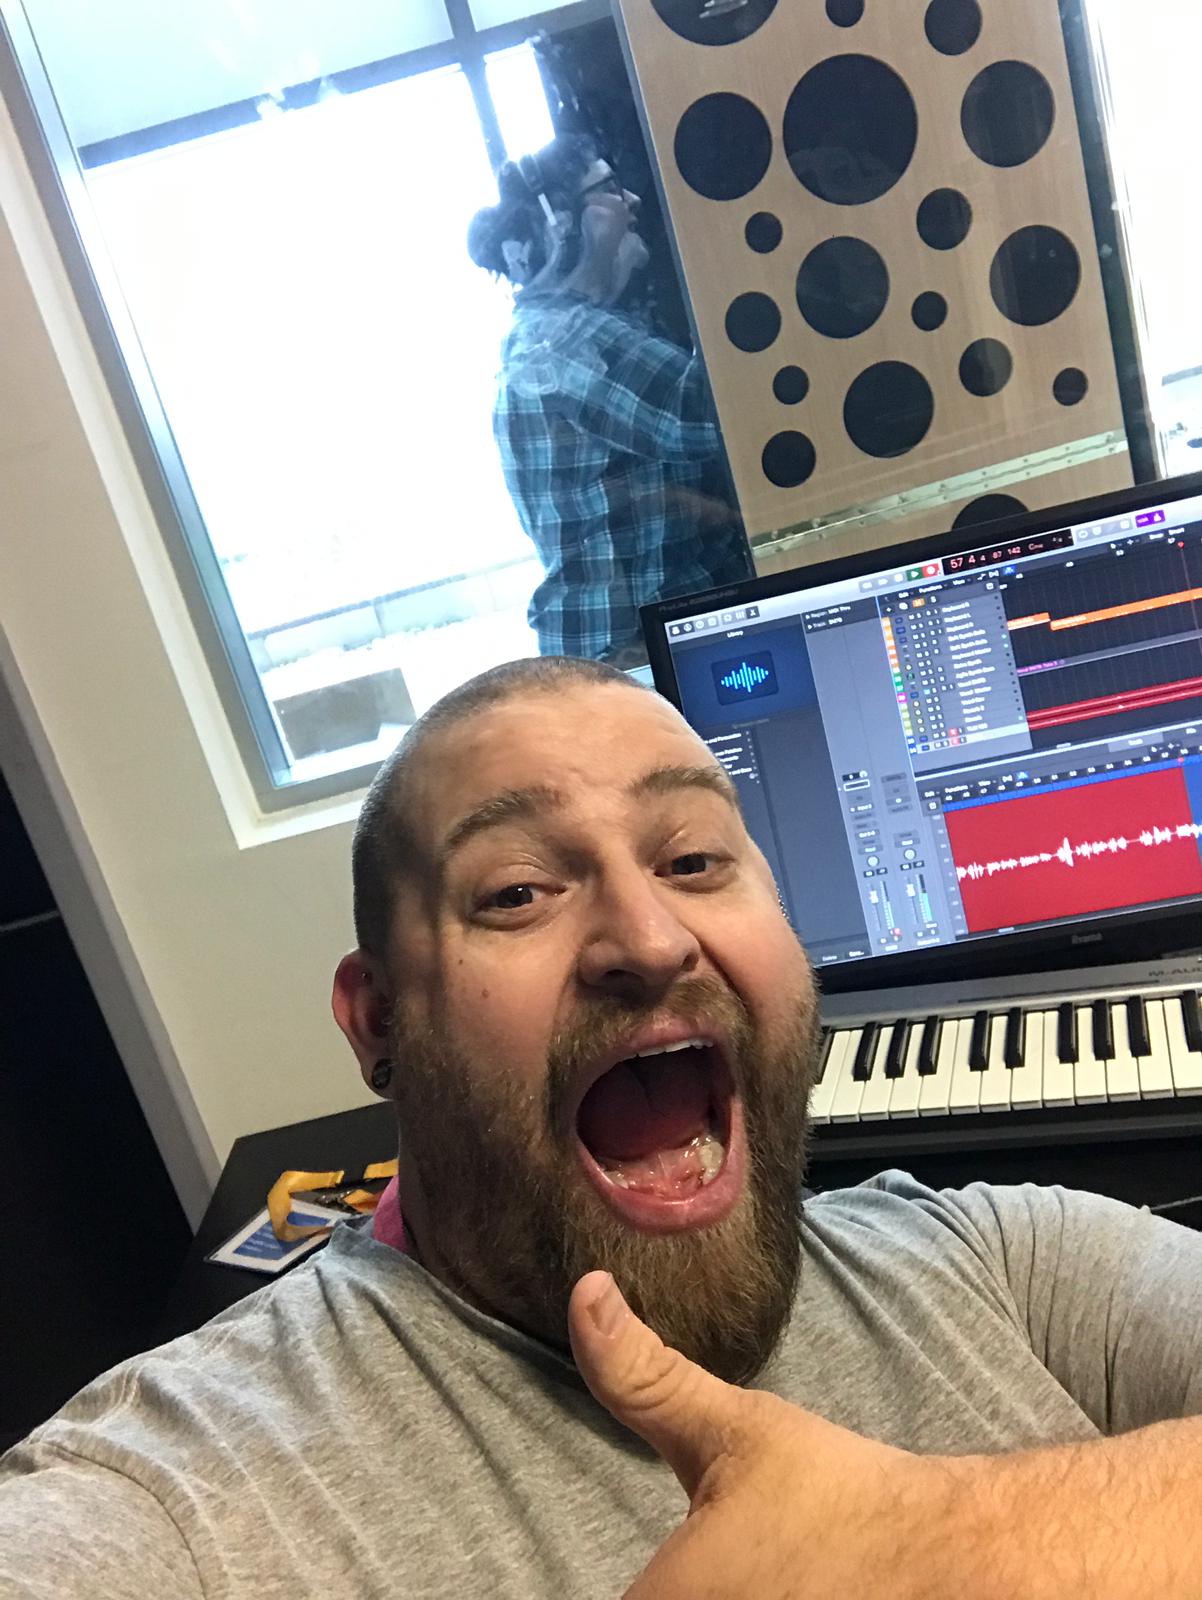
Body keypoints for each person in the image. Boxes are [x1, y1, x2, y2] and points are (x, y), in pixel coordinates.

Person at [3, 653, 1202, 1599]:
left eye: (694, 858)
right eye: (516, 891)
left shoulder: (1008, 1266)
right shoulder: (185, 1490)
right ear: (377, 1021)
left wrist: (948, 1548)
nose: (651, 939)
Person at [468, 135, 753, 667]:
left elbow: (633, 494)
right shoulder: (565, 338)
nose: (632, 201)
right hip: (629, 656)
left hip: (622, 647)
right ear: (561, 223)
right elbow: (716, 416)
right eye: (611, 188)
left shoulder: (552, 332)